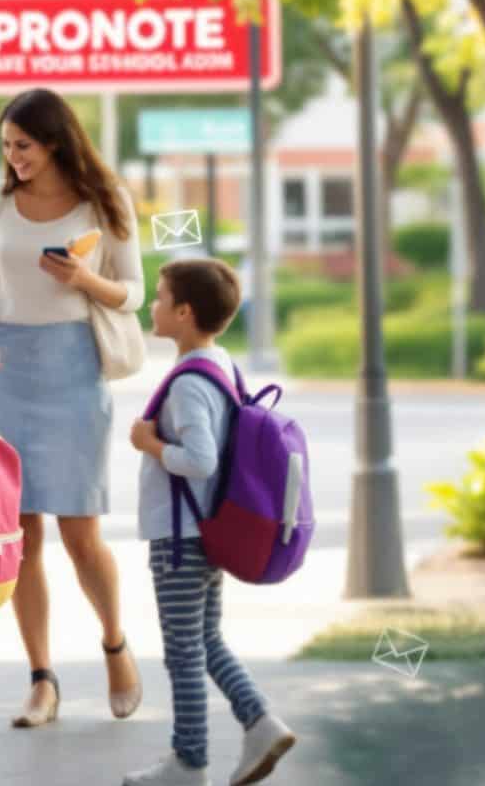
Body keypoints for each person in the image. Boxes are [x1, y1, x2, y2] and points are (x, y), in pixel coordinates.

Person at [0, 88, 145, 727]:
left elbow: (133, 293)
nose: (12, 157)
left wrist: (83, 280)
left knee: (80, 531)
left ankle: (115, 642)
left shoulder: (106, 200)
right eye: (7, 146)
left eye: (24, 146)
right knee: (22, 532)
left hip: (75, 368)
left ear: (55, 143)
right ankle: (42, 678)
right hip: (10, 368)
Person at [122, 260, 295, 786]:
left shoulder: (189, 383)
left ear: (184, 312)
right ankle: (260, 723)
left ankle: (189, 762)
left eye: (159, 297)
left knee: (183, 651)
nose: (152, 306)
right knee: (206, 640)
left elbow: (200, 459)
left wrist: (150, 444)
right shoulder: (220, 364)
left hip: (180, 535)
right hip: (205, 530)